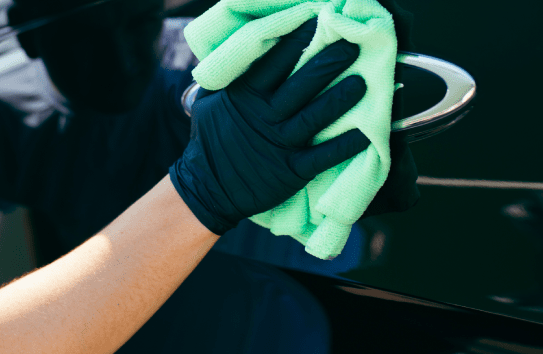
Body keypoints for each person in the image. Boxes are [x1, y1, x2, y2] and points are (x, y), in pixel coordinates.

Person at [0, 19, 369, 353]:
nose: (123, 58)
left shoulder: (218, 59)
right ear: (32, 37)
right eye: (83, 37)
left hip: (297, 313)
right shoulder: (12, 116)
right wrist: (198, 196)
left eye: (137, 19)